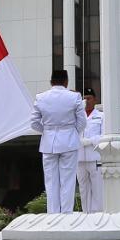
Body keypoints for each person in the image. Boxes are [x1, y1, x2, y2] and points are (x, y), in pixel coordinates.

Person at [29, 69, 86, 214]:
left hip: (48, 143)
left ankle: (52, 214)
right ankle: (66, 214)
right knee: (68, 180)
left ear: (51, 82)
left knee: (51, 181)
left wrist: (47, 131)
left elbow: (34, 123)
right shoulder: (75, 96)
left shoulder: (40, 97)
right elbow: (82, 122)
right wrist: (71, 132)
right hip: (69, 141)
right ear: (66, 82)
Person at [77, 87, 105, 213]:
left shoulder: (101, 116)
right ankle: (86, 214)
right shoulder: (77, 117)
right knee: (83, 188)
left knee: (97, 188)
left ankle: (98, 214)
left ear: (95, 100)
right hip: (79, 158)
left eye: (89, 98)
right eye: (84, 98)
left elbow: (104, 135)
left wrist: (91, 141)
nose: (86, 101)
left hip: (95, 157)